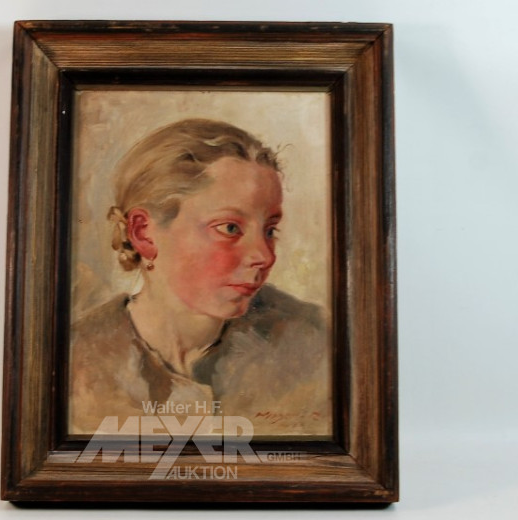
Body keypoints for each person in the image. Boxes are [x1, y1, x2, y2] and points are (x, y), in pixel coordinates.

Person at [69, 119, 331, 437]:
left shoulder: (313, 342)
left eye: (269, 230)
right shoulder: (76, 360)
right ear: (144, 233)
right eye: (230, 228)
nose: (264, 256)